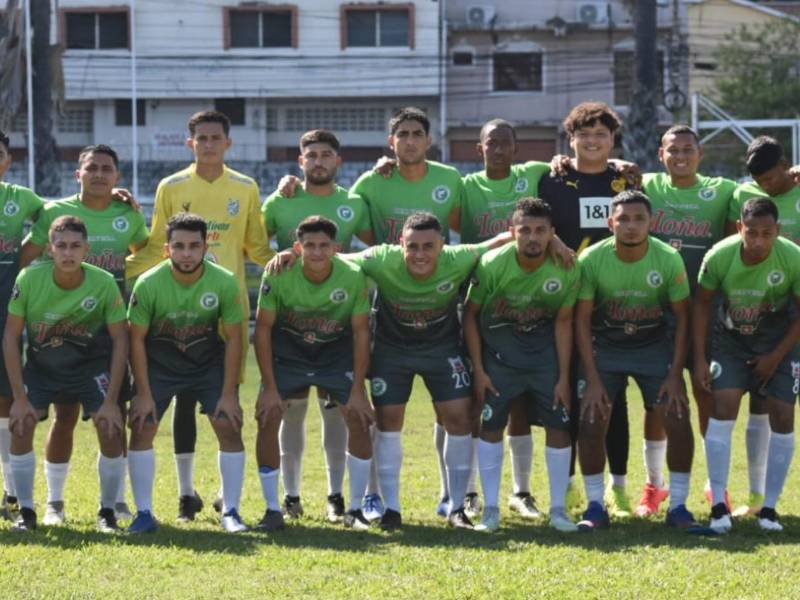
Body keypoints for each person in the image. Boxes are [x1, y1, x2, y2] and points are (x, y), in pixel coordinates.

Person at [126, 110, 272, 521]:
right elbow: (157, 245)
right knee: (175, 409)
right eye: (201, 138)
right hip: (172, 318)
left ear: (228, 142)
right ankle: (184, 493)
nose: (208, 144)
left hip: (221, 319)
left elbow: (257, 248)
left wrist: (292, 260)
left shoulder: (245, 187)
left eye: (215, 137)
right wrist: (108, 269)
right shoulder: (171, 186)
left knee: (224, 410)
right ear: (190, 143)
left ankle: (228, 503)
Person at [20, 144, 148, 525]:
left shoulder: (127, 213)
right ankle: (53, 503)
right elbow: (25, 257)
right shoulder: (55, 212)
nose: (99, 174)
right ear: (78, 174)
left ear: (117, 177)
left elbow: (151, 250)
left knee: (114, 416)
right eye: (92, 167)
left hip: (105, 334)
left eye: (107, 168)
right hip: (54, 338)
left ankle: (116, 500)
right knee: (64, 417)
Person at [262, 129, 372, 522]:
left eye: (327, 154)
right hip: (290, 330)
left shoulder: (354, 202)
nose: (319, 161)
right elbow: (256, 244)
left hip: (336, 327)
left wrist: (344, 269)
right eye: (312, 155)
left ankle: (336, 496)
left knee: (335, 414)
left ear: (338, 161)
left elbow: (371, 249)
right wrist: (277, 260)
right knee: (290, 412)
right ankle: (290, 496)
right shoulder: (280, 199)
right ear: (300, 161)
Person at [575, 191, 697, 530]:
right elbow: (582, 320)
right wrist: (592, 376)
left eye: (638, 219)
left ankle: (680, 508)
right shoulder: (591, 260)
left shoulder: (668, 258)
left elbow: (683, 319)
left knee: (677, 414)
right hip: (607, 349)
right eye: (623, 219)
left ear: (651, 223)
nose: (630, 226)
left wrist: (675, 374)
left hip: (653, 347)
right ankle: (596, 506)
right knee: (590, 419)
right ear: (609, 222)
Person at [537, 101, 634, 515]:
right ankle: (572, 484)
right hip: (561, 300)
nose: (592, 141)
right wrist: (552, 240)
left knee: (615, 397)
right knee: (568, 395)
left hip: (613, 304)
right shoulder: (553, 179)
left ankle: (620, 486)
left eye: (601, 134)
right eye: (584, 134)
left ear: (612, 140)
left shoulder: (627, 179)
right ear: (570, 139)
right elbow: (534, 222)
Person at [636, 125, 737, 516]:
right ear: (661, 154)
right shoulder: (645, 184)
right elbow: (603, 173)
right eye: (673, 150)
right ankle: (655, 485)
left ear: (700, 154)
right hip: (657, 313)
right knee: (658, 400)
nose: (680, 156)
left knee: (705, 393)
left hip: (707, 312)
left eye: (688, 150)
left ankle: (717, 487)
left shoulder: (725, 190)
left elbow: (764, 193)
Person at [3, 216, 128, 532]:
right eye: (61, 246)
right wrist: (19, 398)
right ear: (50, 249)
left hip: (90, 369)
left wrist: (112, 401)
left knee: (111, 427)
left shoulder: (102, 283)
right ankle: (29, 513)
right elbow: (10, 336)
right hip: (43, 370)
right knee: (21, 423)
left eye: (75, 246)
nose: (68, 253)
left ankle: (107, 513)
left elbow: (120, 339)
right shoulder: (29, 279)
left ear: (87, 248)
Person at [127, 213, 247, 533]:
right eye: (179, 246)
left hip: (207, 364)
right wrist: (142, 393)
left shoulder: (223, 281)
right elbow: (135, 340)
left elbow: (235, 337)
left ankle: (232, 512)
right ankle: (143, 513)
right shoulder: (149, 283)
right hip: (160, 366)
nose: (187, 253)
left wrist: (229, 393)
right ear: (167, 250)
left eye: (194, 246)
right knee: (142, 425)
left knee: (228, 423)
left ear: (206, 247)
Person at [463, 199, 578, 533]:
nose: (532, 237)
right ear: (512, 232)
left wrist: (563, 377)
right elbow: (470, 315)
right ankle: (491, 510)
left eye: (540, 230)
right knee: (491, 427)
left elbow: (564, 322)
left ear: (551, 234)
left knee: (558, 427)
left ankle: (558, 511)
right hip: (498, 362)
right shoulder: (492, 263)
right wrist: (480, 369)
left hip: (544, 362)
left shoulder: (567, 267)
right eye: (525, 230)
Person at [696, 197, 800, 533]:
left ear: (777, 231)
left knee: (783, 415)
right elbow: (702, 307)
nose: (757, 241)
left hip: (779, 342)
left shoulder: (793, 258)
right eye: (751, 232)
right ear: (739, 227)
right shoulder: (719, 256)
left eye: (766, 234)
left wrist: (775, 357)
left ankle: (769, 508)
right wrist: (700, 358)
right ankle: (717, 507)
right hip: (731, 342)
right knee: (723, 405)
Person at [0, 130, 44, 521]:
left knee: (4, 400)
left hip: (5, 303)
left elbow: (53, 220)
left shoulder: (20, 198)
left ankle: (11, 493)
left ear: (8, 160)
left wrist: (22, 258)